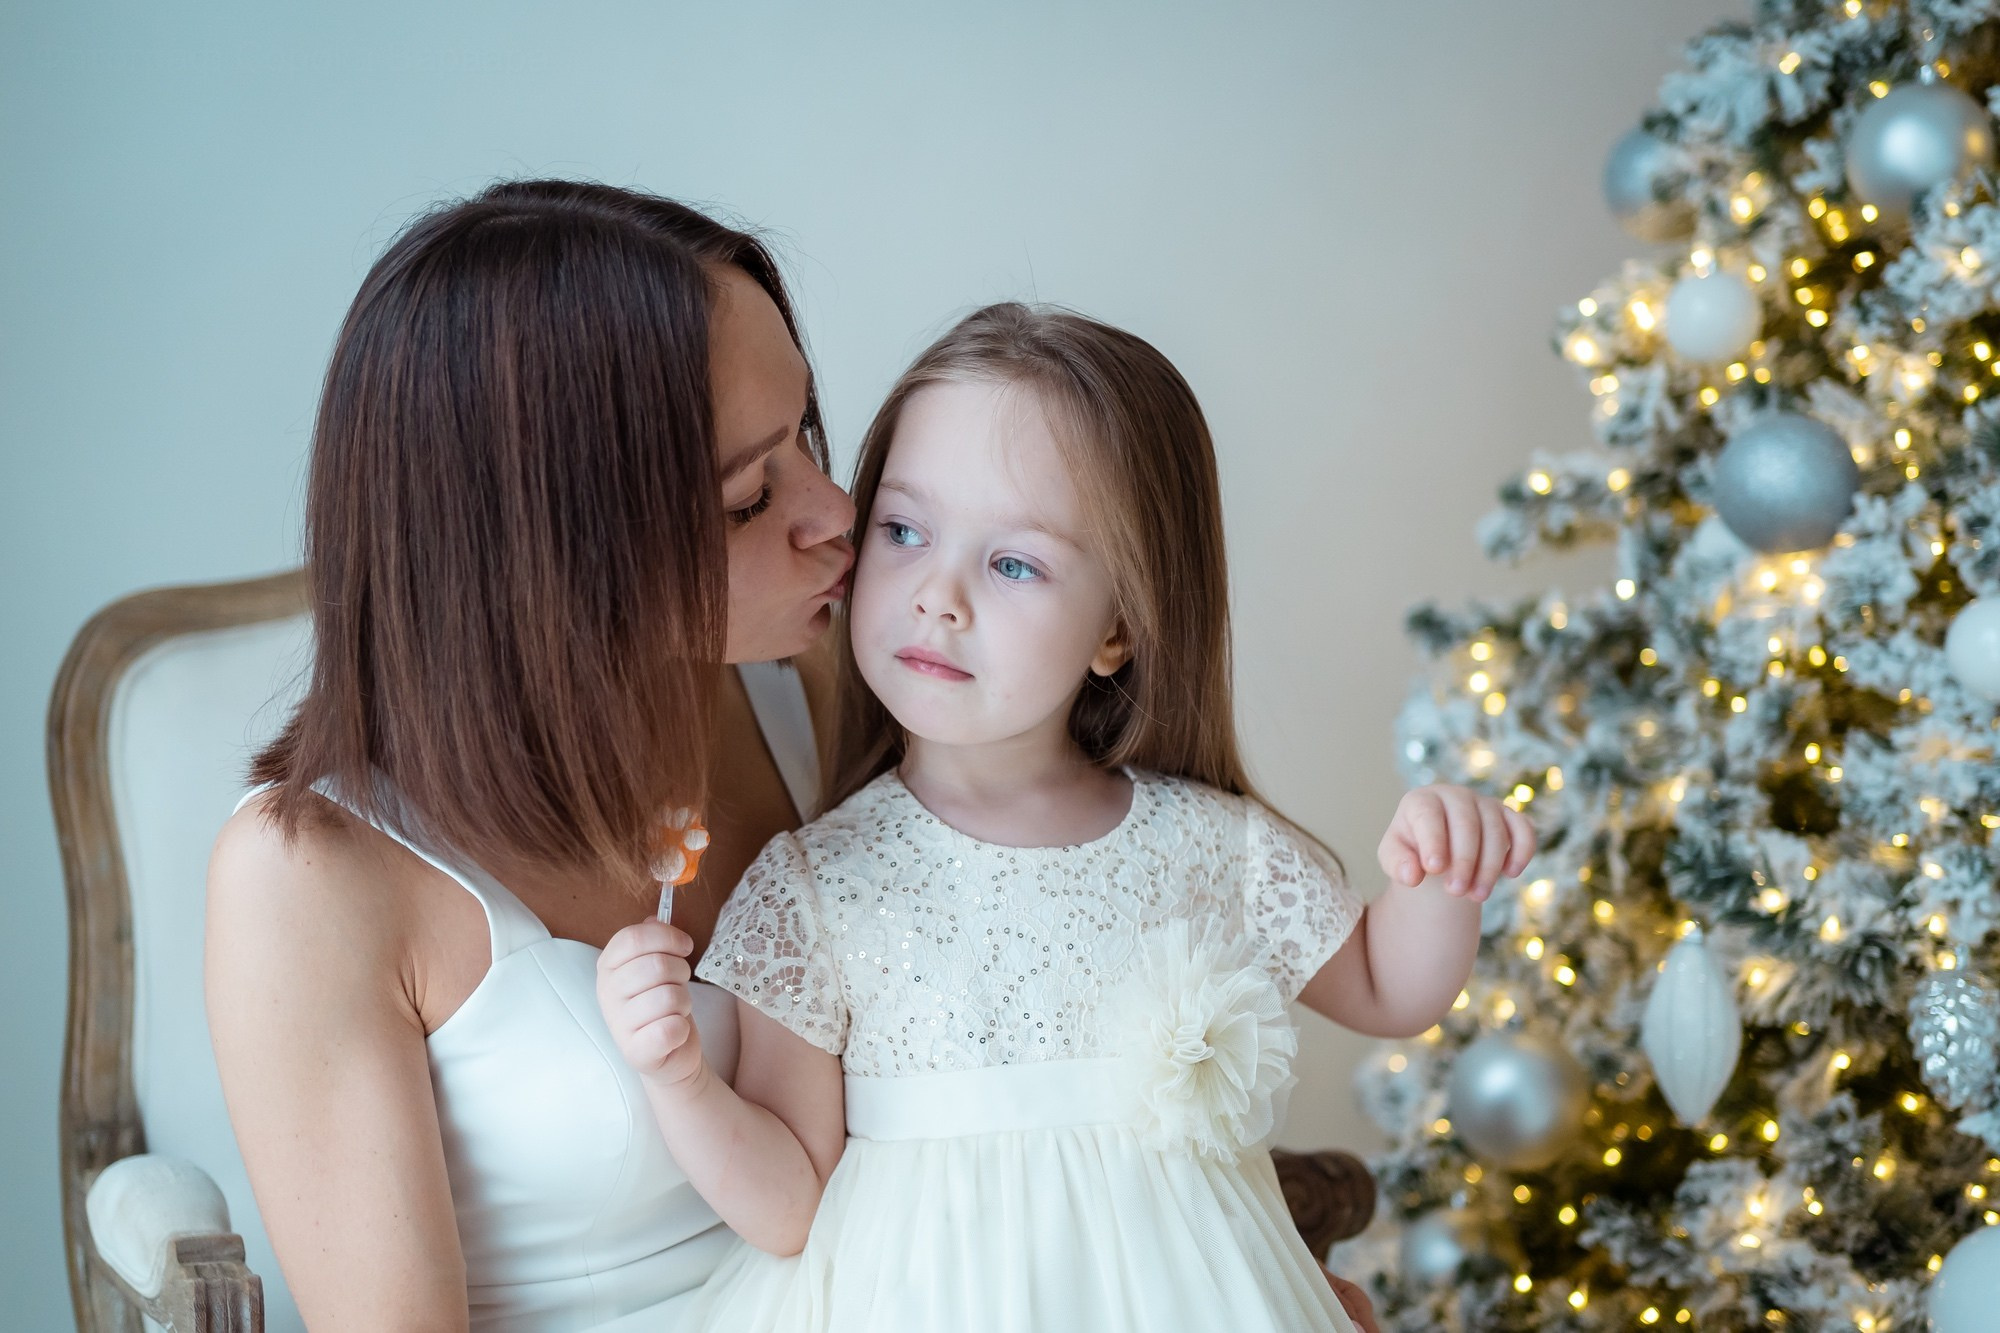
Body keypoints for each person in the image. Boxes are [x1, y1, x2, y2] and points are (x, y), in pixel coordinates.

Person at [597, 303, 1532, 1331]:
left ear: (1117, 629)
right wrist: (678, 1076)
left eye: (1013, 564)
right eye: (903, 530)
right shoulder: (816, 884)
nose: (937, 596)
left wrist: (1437, 875)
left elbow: (1387, 987)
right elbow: (788, 1208)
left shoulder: (1198, 842)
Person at [205, 180, 855, 1331]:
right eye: (752, 497)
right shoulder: (310, 876)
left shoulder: (823, 691)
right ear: (552, 548)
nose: (834, 512)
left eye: (803, 438)